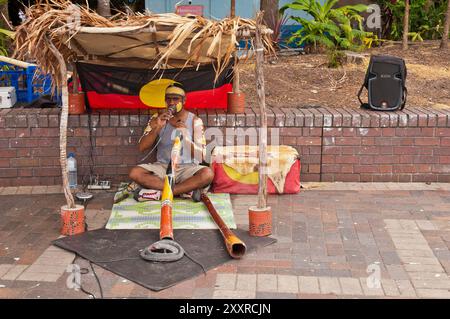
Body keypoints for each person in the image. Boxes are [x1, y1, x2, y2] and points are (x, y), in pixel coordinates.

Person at [125, 83, 214, 202]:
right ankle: (184, 191)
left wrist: (185, 137)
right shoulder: (157, 118)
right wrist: (157, 128)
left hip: (187, 168)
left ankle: (163, 193)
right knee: (135, 173)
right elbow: (142, 147)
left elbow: (201, 155)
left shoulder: (195, 121)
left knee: (207, 174)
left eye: (176, 99)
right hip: (162, 166)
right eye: (168, 99)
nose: (171, 102)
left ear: (184, 101)